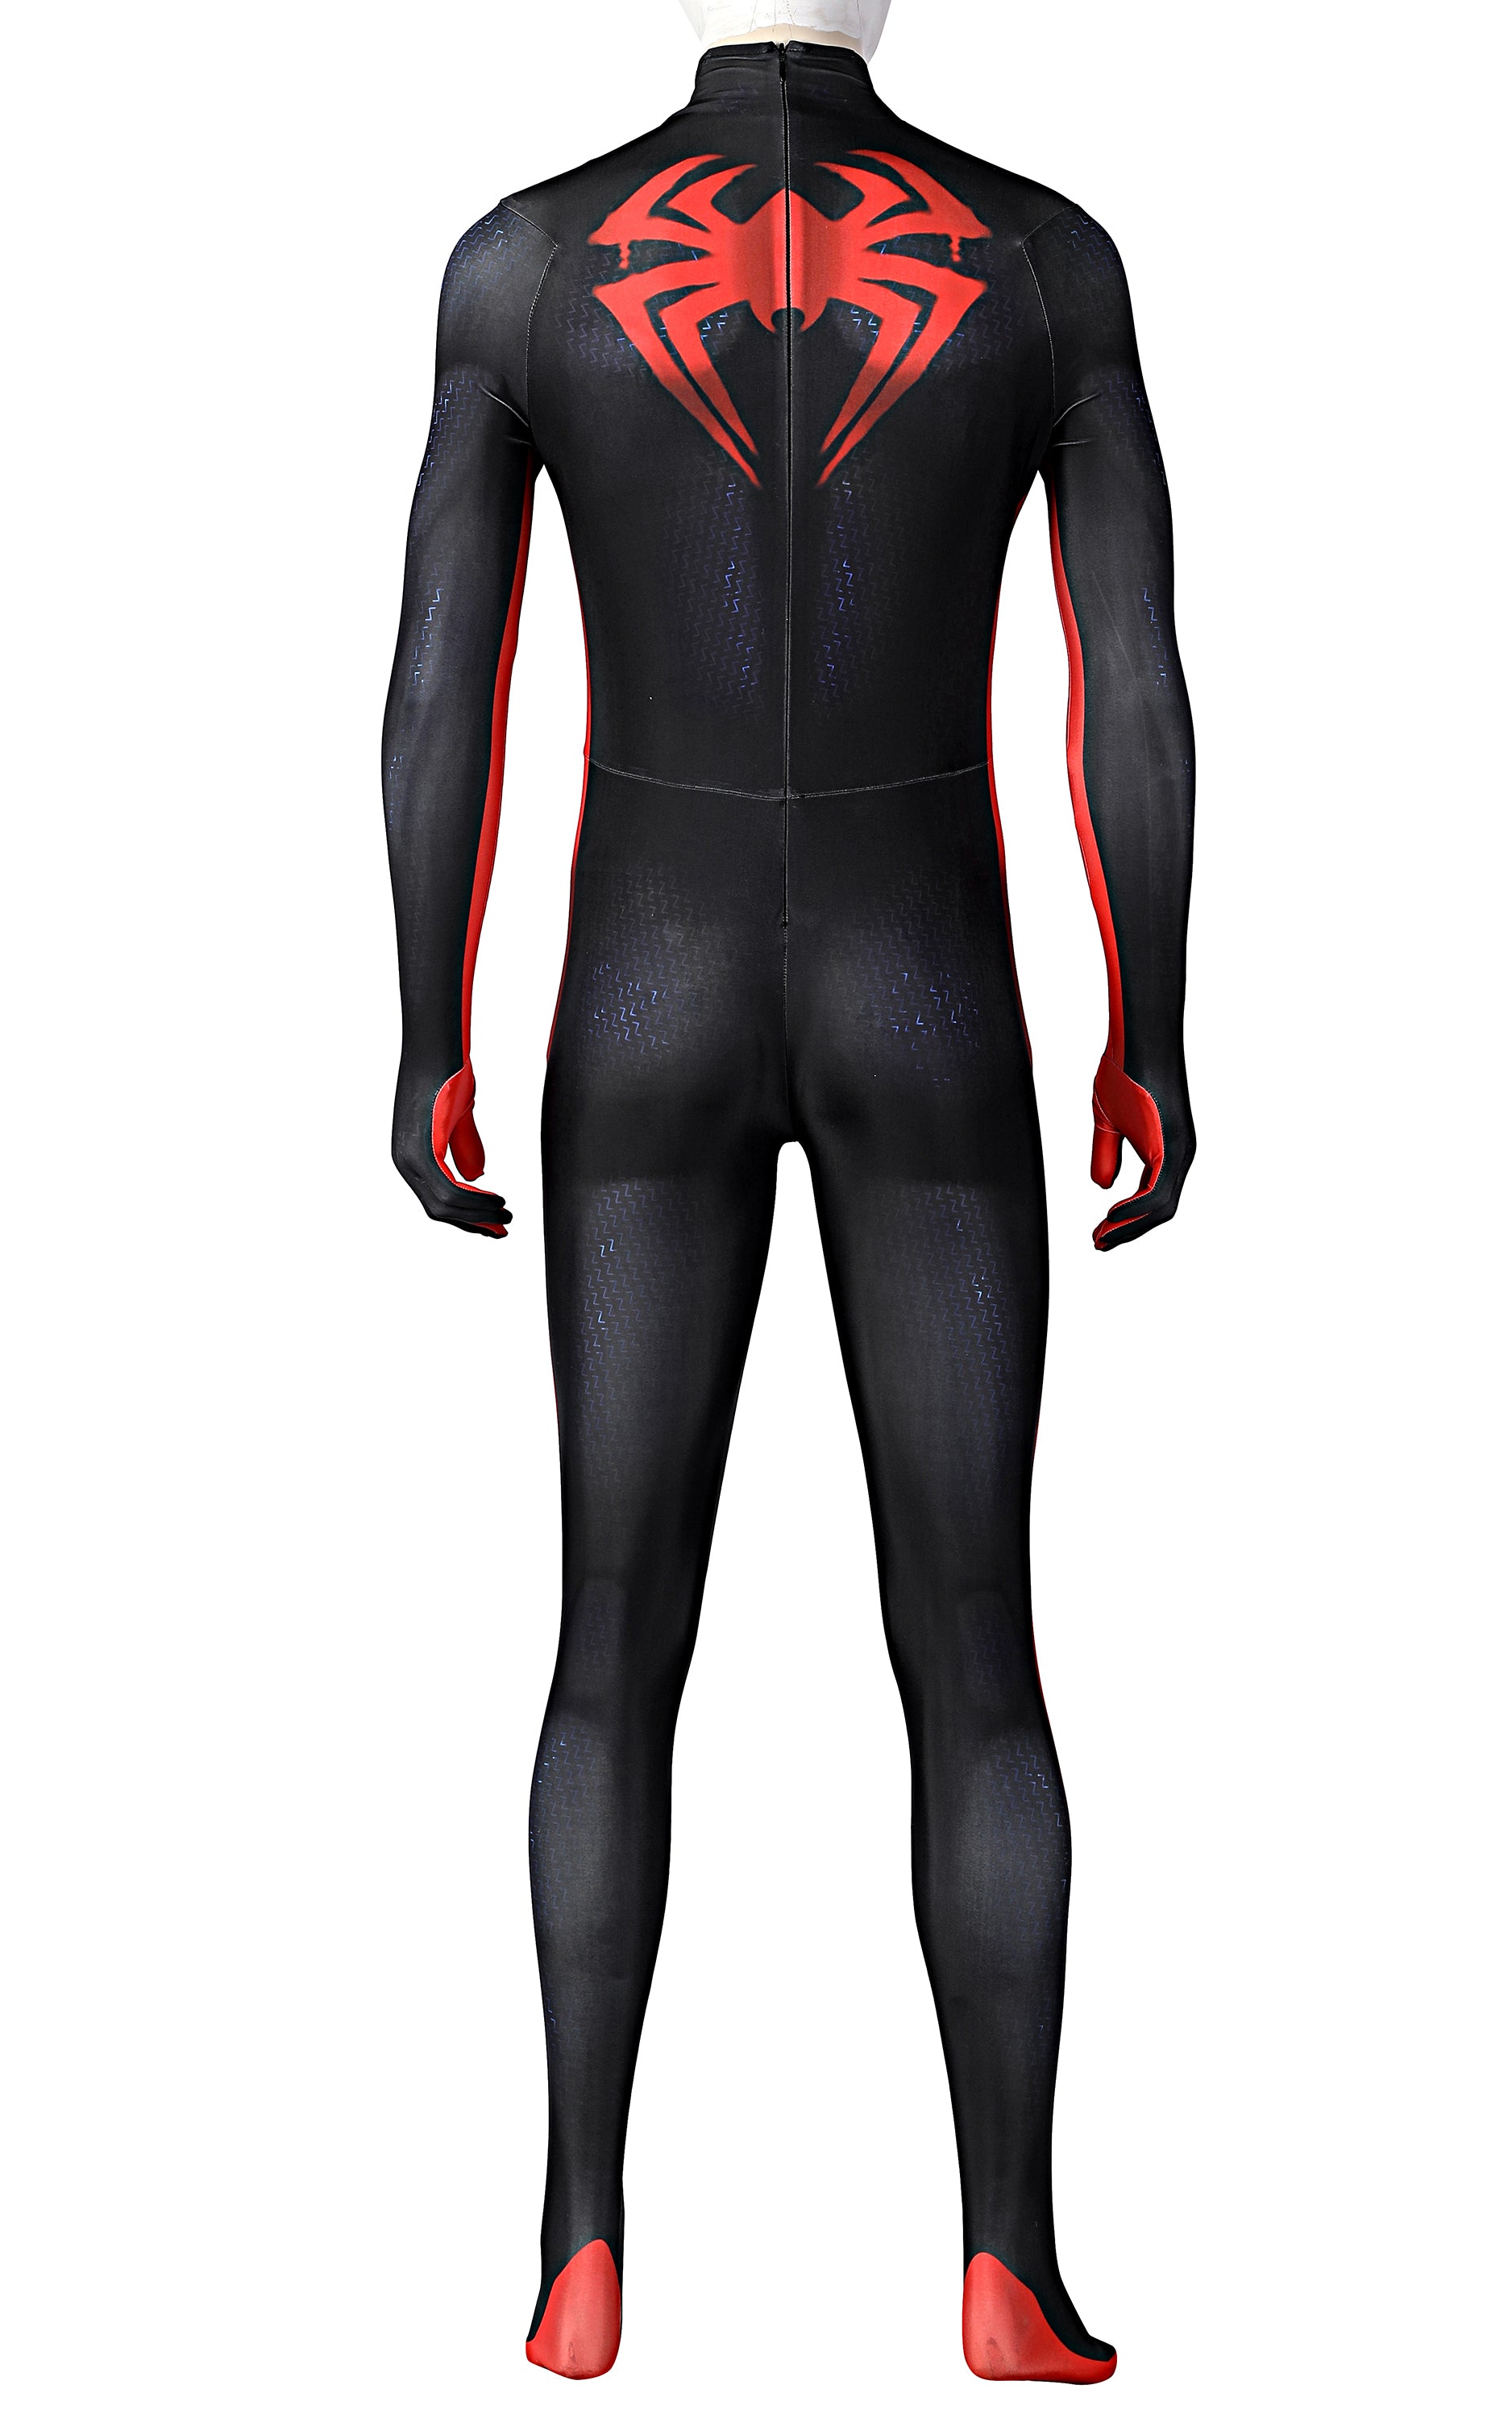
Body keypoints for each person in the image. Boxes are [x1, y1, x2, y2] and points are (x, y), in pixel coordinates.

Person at [382, 10, 1194, 2382]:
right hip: (928, 993)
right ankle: (1010, 2265)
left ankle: (577, 2248)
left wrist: (425, 1025)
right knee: (978, 1657)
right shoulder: (1039, 261)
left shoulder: (529, 263)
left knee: (610, 1640)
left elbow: (438, 690)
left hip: (636, 998)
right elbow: (1133, 693)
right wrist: (1152, 1021)